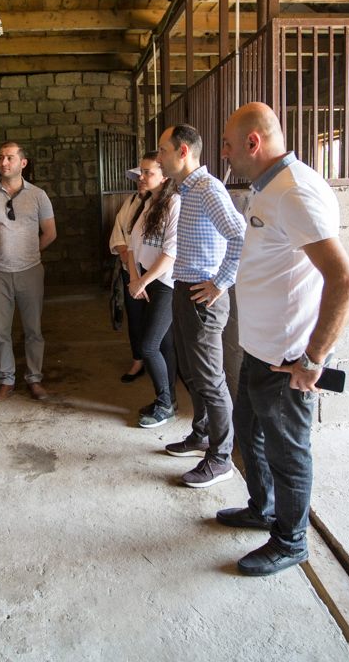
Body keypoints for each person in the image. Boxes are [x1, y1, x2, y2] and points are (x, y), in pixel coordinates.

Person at [217, 102, 349, 576]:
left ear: (253, 142)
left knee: (287, 451)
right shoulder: (268, 188)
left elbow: (344, 280)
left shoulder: (294, 192)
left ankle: (291, 540)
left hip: (287, 358)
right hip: (259, 349)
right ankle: (263, 508)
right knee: (249, 431)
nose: (225, 154)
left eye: (229, 146)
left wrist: (313, 359)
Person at [155, 124, 246, 488]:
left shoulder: (208, 189)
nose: (159, 157)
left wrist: (220, 283)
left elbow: (239, 235)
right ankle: (202, 435)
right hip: (185, 288)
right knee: (193, 373)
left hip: (203, 296)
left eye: (163, 150)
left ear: (183, 152)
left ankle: (221, 458)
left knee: (209, 378)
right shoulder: (186, 190)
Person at [0, 141, 57, 402]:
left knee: (33, 330)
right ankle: (6, 379)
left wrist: (28, 252)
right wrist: (0, 251)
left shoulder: (38, 195)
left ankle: (34, 378)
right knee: (0, 331)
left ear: (23, 163)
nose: (4, 162)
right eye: (0, 158)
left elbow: (50, 233)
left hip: (30, 270)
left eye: (9, 157)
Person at [126, 152, 181, 428]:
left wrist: (143, 281)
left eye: (148, 172)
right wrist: (135, 278)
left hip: (165, 284)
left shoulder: (174, 203)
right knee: (164, 344)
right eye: (142, 172)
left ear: (164, 176)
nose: (142, 177)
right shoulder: (147, 203)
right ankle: (169, 400)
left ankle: (164, 404)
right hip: (147, 281)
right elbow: (131, 247)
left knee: (148, 346)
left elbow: (170, 253)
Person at [107, 169, 151, 383]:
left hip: (155, 274)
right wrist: (127, 257)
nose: (140, 181)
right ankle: (138, 360)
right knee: (135, 317)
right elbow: (118, 234)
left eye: (145, 176)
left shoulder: (164, 203)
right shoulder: (130, 203)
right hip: (130, 272)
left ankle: (159, 363)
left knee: (157, 320)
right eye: (137, 178)